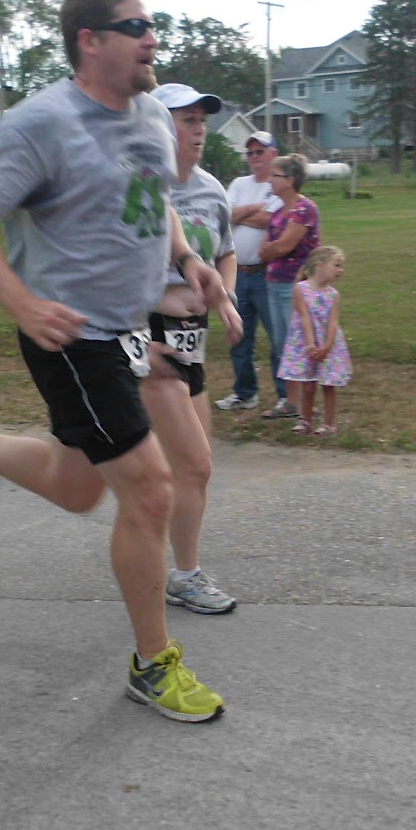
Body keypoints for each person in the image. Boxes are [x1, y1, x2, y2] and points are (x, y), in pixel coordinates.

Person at [0, 0, 229, 722]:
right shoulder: (42, 124)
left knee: (79, 488)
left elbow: (157, 201)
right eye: (137, 25)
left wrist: (186, 259)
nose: (153, 38)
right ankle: (153, 664)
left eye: (154, 23)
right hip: (71, 335)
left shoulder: (146, 115)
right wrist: (19, 302)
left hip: (130, 329)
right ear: (91, 40)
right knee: (150, 489)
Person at [143, 82, 243, 614]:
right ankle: (174, 573)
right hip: (144, 336)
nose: (199, 128)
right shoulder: (140, 190)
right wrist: (165, 294)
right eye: (187, 119)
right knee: (176, 466)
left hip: (192, 343)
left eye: (203, 119)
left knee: (190, 467)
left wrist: (224, 299)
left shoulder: (211, 190)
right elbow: (116, 271)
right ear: (158, 126)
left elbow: (224, 254)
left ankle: (170, 565)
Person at [214, 131, 284, 413]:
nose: (254, 157)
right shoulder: (239, 183)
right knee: (239, 335)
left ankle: (285, 394)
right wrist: (253, 210)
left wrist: (241, 214)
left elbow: (274, 219)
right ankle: (245, 393)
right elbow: (224, 215)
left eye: (260, 152)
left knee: (278, 335)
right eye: (251, 153)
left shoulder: (279, 184)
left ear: (273, 155)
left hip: (266, 273)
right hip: (238, 274)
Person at [257, 153, 320, 420]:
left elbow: (283, 246)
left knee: (300, 343)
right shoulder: (279, 212)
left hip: (295, 287)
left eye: (275, 175)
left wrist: (274, 249)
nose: (270, 180)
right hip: (274, 283)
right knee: (282, 345)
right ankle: (290, 402)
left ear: (290, 180)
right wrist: (273, 249)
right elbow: (265, 252)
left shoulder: (304, 209)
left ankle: (307, 403)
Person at [277, 246, 352, 436]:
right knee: (308, 385)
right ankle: (306, 420)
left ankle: (328, 424)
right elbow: (304, 317)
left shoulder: (333, 295)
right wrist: (311, 345)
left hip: (328, 342)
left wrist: (327, 346)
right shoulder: (300, 289)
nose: (340, 270)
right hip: (305, 341)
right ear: (320, 266)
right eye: (336, 265)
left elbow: (333, 322)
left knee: (328, 385)